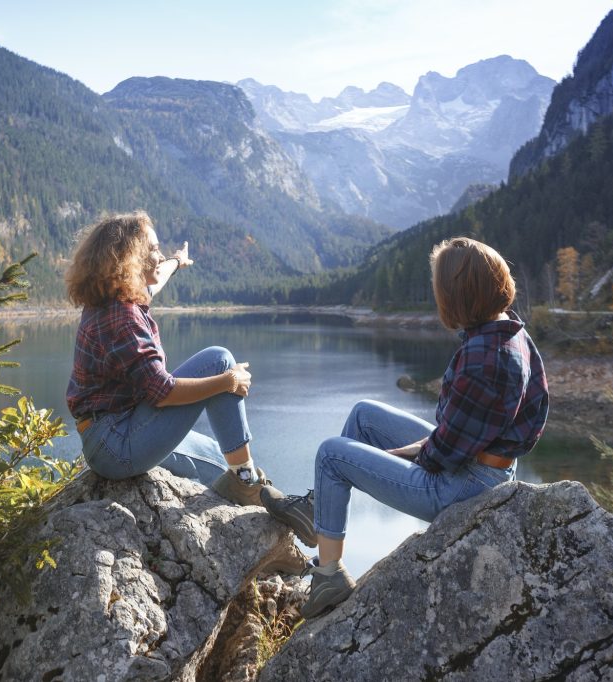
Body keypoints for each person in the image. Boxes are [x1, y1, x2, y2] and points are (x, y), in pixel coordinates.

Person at [262, 237, 549, 618]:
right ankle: (319, 511)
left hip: (462, 487)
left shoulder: (485, 360)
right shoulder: (508, 331)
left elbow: (444, 454)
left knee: (332, 454)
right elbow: (509, 421)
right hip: (482, 464)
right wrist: (415, 450)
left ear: (458, 295)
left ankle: (329, 574)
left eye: (440, 290)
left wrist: (395, 455)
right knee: (364, 414)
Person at [65, 211, 278, 505]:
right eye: (153, 249)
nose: (159, 254)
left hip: (118, 430)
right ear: (131, 259)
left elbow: (155, 280)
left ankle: (248, 483)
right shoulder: (122, 318)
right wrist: (227, 382)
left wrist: (177, 261)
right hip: (115, 443)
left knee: (220, 460)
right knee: (219, 361)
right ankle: (247, 486)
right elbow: (162, 393)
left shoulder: (116, 295)